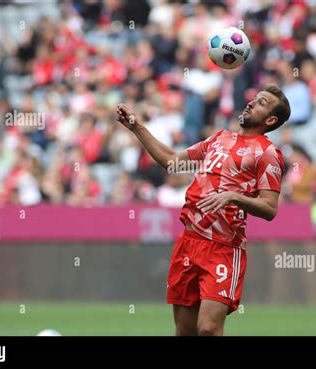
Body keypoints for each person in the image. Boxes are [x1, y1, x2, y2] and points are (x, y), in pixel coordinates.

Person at [116, 84, 291, 336]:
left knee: (208, 329)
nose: (252, 102)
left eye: (262, 102)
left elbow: (269, 208)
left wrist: (233, 197)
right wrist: (137, 127)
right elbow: (172, 162)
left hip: (223, 247)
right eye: (254, 98)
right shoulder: (219, 138)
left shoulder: (268, 153)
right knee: (184, 331)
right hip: (188, 243)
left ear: (271, 119)